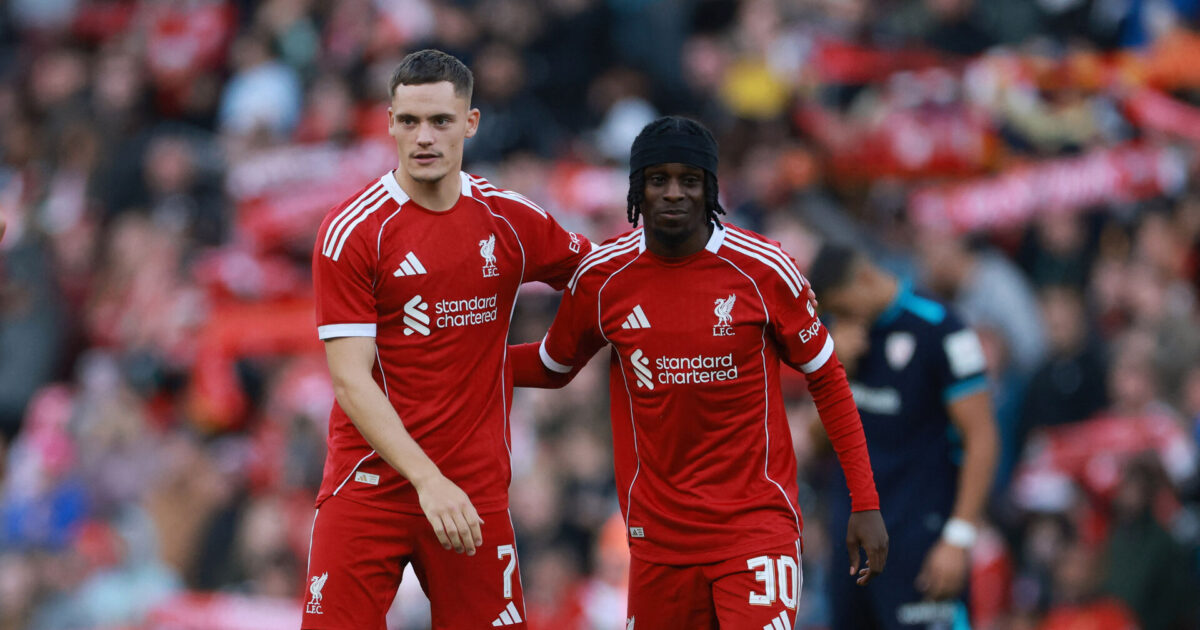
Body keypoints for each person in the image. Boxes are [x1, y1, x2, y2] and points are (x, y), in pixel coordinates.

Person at [510, 116, 888, 629]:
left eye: (689, 180)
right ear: (636, 190)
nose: (673, 193)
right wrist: (453, 359)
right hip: (658, 542)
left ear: (710, 188)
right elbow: (552, 365)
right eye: (657, 179)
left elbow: (828, 379)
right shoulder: (604, 278)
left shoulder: (764, 268)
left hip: (755, 528)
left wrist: (865, 501)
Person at [305, 49, 589, 630]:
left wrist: (554, 360)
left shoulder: (508, 220)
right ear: (389, 123)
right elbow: (351, 381)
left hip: (471, 494)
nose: (424, 137)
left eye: (440, 120)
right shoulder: (353, 231)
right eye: (409, 121)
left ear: (471, 122)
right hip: (370, 487)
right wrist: (426, 479)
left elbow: (601, 279)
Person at [807, 244, 999, 630]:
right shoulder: (840, 336)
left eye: (844, 308)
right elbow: (816, 441)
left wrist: (959, 538)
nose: (841, 319)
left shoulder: (940, 328)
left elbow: (982, 437)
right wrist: (834, 370)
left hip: (920, 538)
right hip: (852, 541)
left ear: (864, 279)